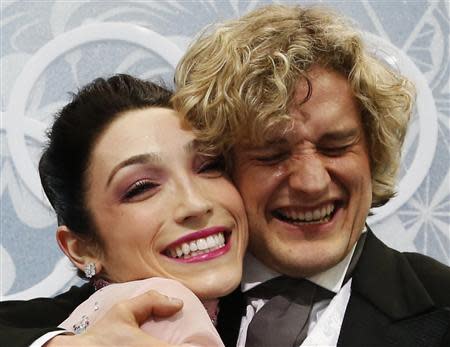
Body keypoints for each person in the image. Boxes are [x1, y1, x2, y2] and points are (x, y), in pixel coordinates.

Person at [2, 4, 450, 347]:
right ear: (232, 164)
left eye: (336, 146)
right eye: (272, 153)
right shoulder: (154, 295)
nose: (312, 182)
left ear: (372, 153)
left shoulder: (439, 303)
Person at [0, 74, 248, 347]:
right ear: (82, 248)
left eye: (210, 166)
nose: (195, 204)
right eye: (141, 188)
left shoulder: (282, 296)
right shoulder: (40, 328)